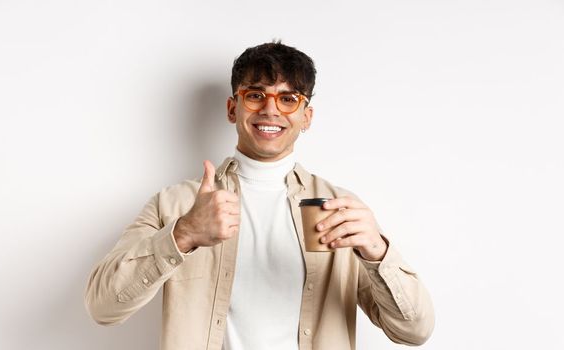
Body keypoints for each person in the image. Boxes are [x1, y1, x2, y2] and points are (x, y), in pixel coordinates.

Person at [85, 41, 434, 350]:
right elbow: (102, 307)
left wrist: (377, 251)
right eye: (255, 95)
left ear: (306, 116)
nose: (270, 110)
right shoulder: (176, 204)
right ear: (232, 108)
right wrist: (184, 234)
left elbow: (414, 331)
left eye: (288, 99)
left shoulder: (338, 209)